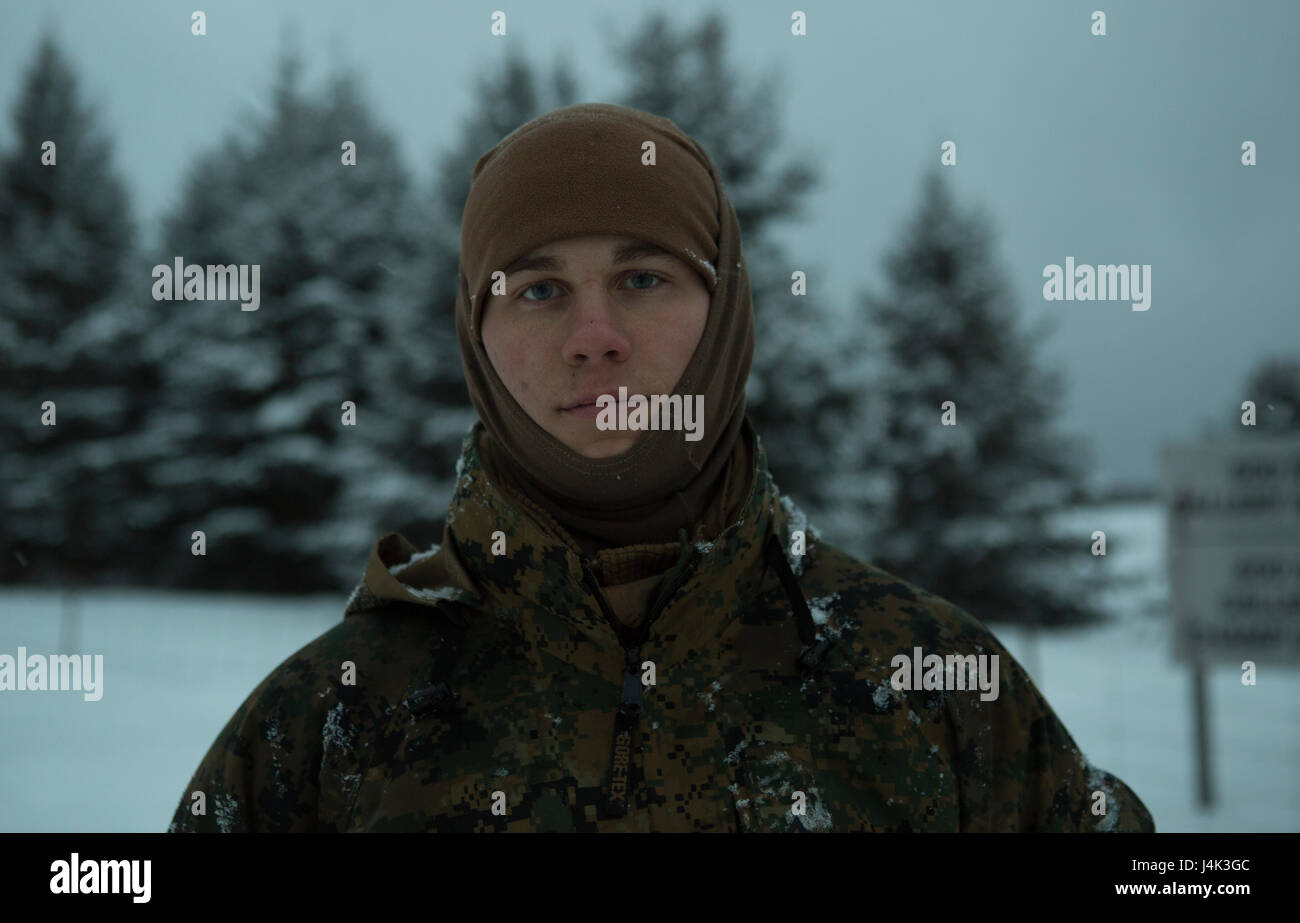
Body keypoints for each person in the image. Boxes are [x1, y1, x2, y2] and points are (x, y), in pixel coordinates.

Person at [168, 102, 1154, 833]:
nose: (593, 337)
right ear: (476, 335)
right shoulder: (324, 721)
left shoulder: (933, 683)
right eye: (540, 288)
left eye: (642, 278)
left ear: (725, 312)